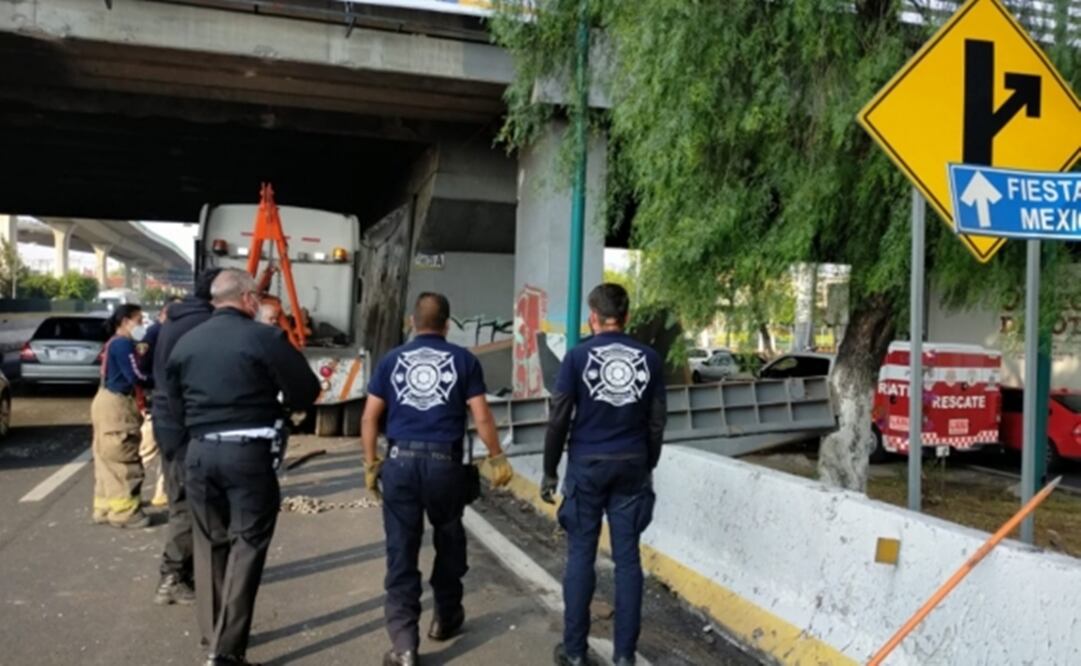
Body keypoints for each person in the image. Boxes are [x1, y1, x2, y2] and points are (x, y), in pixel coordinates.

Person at [166, 268, 319, 666]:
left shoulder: (186, 343)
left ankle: (213, 635)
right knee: (247, 545)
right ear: (249, 299)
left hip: (199, 452)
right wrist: (280, 405)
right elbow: (307, 390)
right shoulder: (264, 337)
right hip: (248, 453)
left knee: (210, 543)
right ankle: (226, 651)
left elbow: (172, 401)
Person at [361, 292, 515, 666]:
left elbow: (369, 418)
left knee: (401, 551)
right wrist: (496, 457)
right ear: (448, 325)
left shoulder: (391, 360)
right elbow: (480, 417)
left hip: (399, 463)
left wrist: (370, 464)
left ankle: (404, 646)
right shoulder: (464, 360)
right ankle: (445, 617)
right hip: (444, 466)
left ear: (413, 322)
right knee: (449, 538)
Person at [540, 283, 667, 666]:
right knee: (628, 561)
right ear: (626, 317)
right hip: (632, 465)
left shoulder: (577, 358)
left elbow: (559, 416)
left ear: (592, 317)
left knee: (581, 554)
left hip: (587, 466)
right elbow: (658, 421)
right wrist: (649, 463)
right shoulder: (650, 358)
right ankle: (624, 656)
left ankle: (575, 653)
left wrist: (549, 470)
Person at [152, 271, 221, 606]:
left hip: (170, 424)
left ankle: (185, 570)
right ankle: (172, 575)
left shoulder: (177, 320)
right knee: (186, 504)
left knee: (186, 499)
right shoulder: (201, 326)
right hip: (182, 428)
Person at [91, 303, 152, 529]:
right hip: (117, 405)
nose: (142, 325)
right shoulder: (123, 344)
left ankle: (105, 507)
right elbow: (135, 375)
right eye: (139, 320)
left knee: (105, 458)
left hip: (104, 401)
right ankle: (125, 512)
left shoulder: (114, 343)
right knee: (122, 458)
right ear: (125, 321)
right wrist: (157, 380)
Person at [139, 299, 180, 510]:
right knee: (148, 449)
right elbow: (141, 364)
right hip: (156, 398)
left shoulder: (166, 331)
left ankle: (161, 494)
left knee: (166, 452)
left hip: (163, 398)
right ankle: (132, 492)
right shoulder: (156, 332)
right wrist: (149, 384)